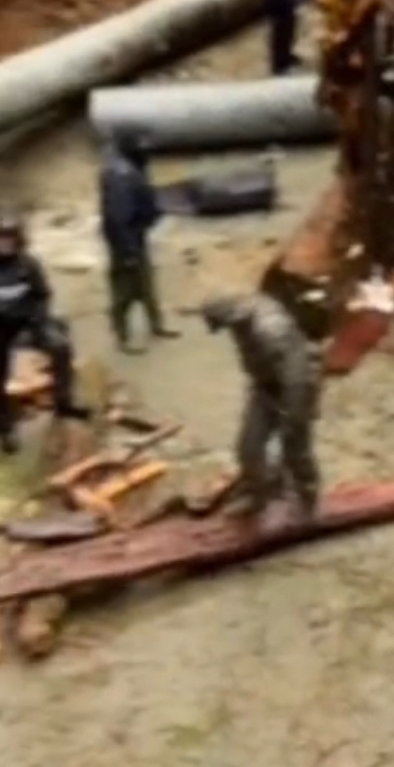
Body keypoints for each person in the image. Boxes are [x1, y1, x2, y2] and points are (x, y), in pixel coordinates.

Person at [0, 213, 91, 450]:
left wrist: (39, 320)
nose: (5, 244)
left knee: (60, 345)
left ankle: (64, 403)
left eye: (10, 238)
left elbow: (42, 295)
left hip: (25, 322)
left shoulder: (28, 264)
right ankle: (3, 427)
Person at [201, 292, 321, 518]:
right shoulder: (242, 319)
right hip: (265, 385)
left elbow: (297, 371)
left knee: (295, 447)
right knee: (249, 446)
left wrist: (294, 411)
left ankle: (306, 498)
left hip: (297, 385)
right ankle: (256, 495)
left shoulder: (271, 329)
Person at [99, 130, 177, 350]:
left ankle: (156, 326)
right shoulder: (120, 176)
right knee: (124, 290)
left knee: (146, 283)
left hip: (136, 235)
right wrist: (128, 251)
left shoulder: (132, 169)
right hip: (125, 240)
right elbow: (118, 217)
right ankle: (122, 336)